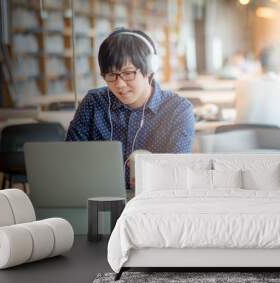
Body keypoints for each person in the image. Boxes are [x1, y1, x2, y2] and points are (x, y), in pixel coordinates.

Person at [66, 28, 195, 188]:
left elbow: (179, 174)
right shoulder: (93, 103)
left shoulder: (178, 110)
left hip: (155, 203)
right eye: (111, 75)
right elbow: (70, 162)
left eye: (128, 73)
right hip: (101, 198)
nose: (119, 84)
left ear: (150, 69)